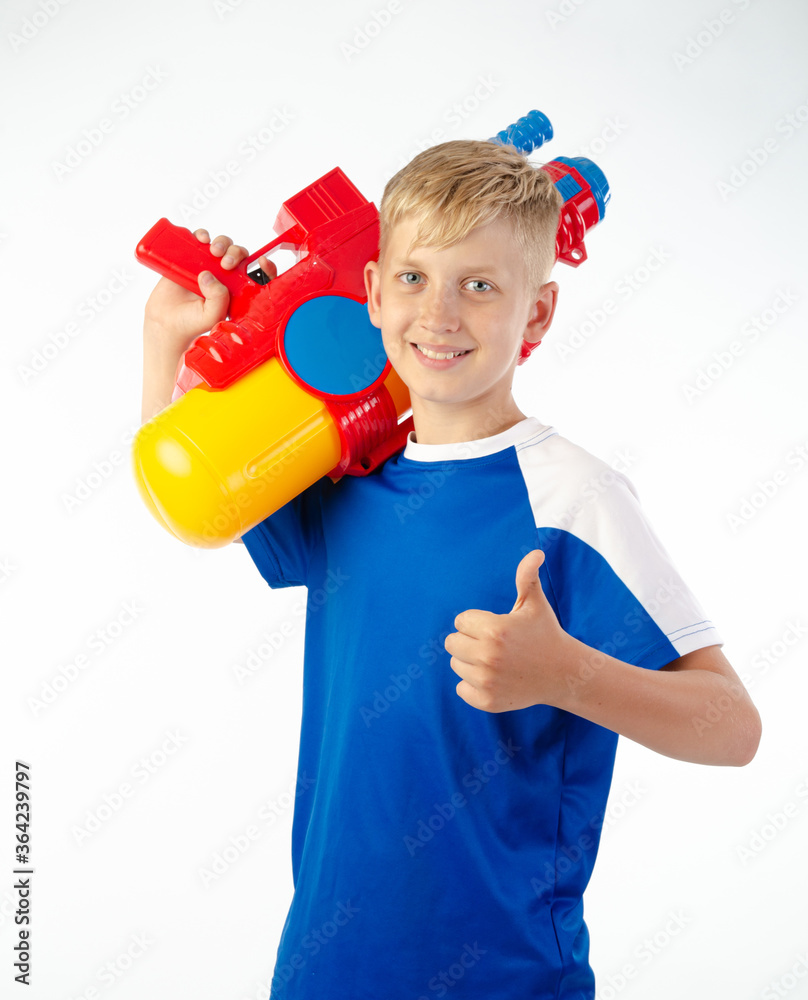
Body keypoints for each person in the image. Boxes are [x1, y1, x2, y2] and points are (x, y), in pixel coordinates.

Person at [140, 139, 761, 999]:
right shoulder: (345, 480)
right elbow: (193, 498)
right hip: (324, 970)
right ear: (369, 293)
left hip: (507, 979)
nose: (438, 313)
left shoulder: (571, 498)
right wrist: (165, 338)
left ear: (536, 315)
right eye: (413, 278)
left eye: (480, 285)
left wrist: (566, 674)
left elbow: (733, 728)